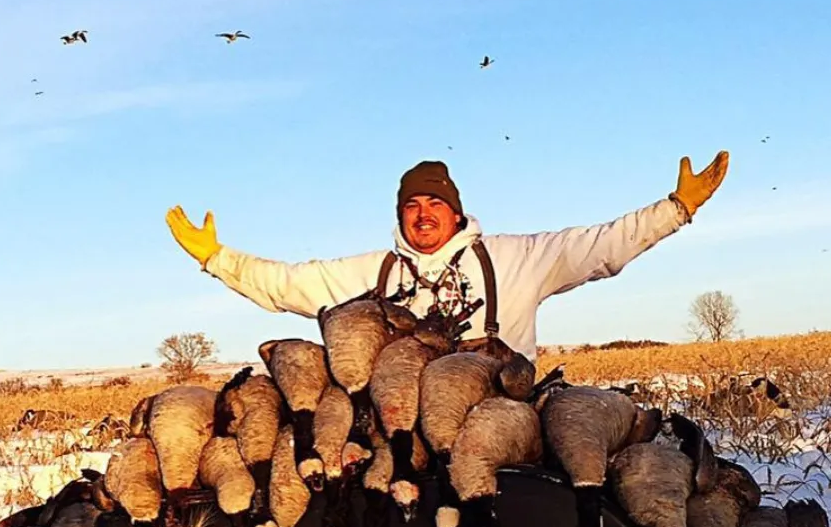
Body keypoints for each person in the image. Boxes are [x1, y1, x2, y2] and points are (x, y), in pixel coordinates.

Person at [165, 151, 729, 361]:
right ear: (400, 216)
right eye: (413, 204)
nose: (424, 212)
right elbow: (287, 284)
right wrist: (217, 258)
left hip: (497, 409)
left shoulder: (515, 259)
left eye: (436, 202)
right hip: (403, 416)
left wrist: (676, 208)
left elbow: (600, 246)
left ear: (457, 213)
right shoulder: (373, 274)